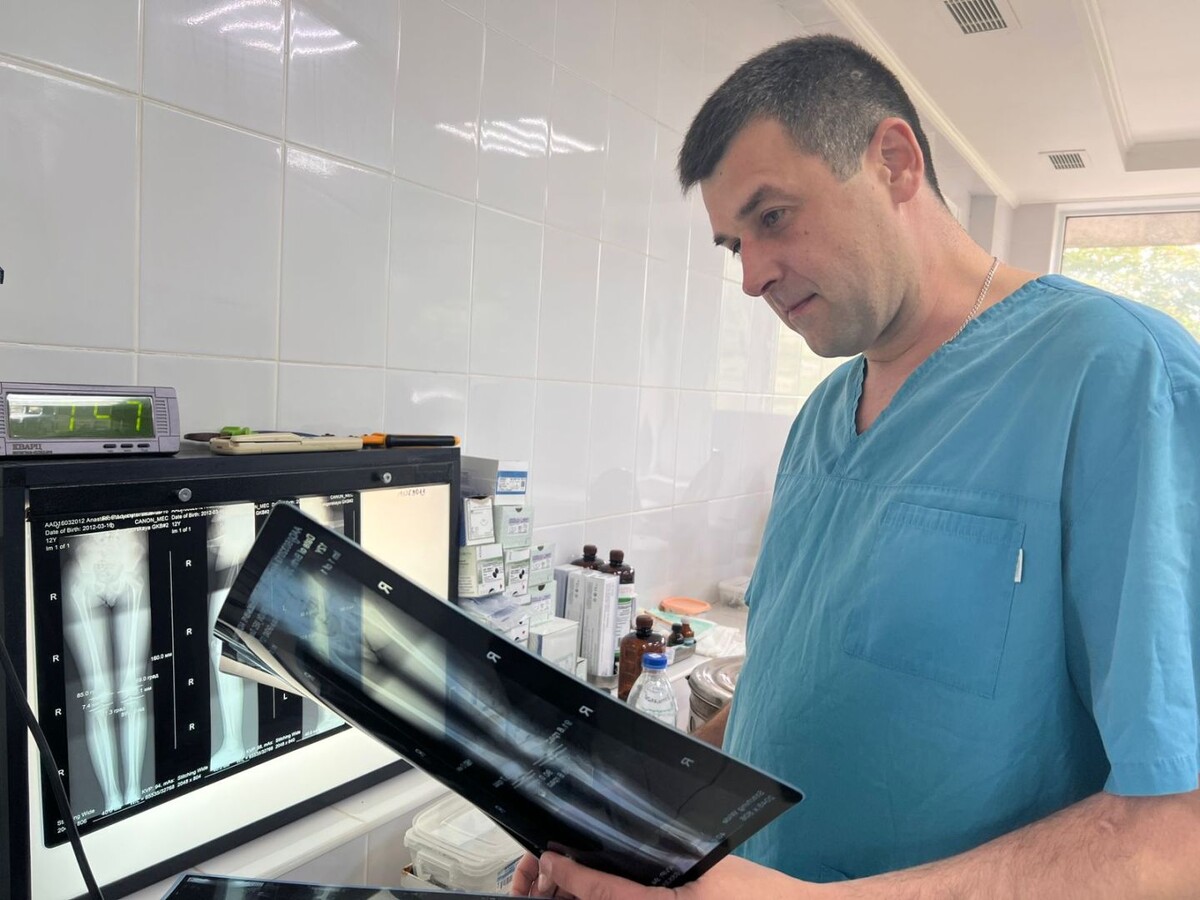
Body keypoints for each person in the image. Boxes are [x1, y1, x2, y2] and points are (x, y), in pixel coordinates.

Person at [513, 34, 1200, 898]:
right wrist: (633, 814)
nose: (751, 277)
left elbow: (1178, 831)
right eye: (732, 245)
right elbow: (789, 691)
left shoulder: (1118, 376)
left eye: (772, 217)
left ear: (894, 163)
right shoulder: (820, 419)